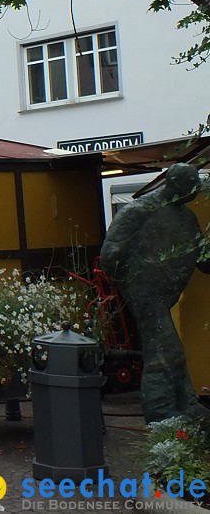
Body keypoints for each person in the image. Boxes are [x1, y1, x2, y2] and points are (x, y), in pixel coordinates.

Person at [100, 162, 210, 422]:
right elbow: (111, 254)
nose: (194, 195)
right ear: (174, 185)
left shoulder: (186, 217)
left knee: (170, 349)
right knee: (162, 351)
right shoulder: (139, 211)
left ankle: (184, 405)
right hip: (146, 294)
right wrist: (139, 279)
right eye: (190, 189)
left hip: (164, 295)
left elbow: (204, 260)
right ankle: (162, 414)